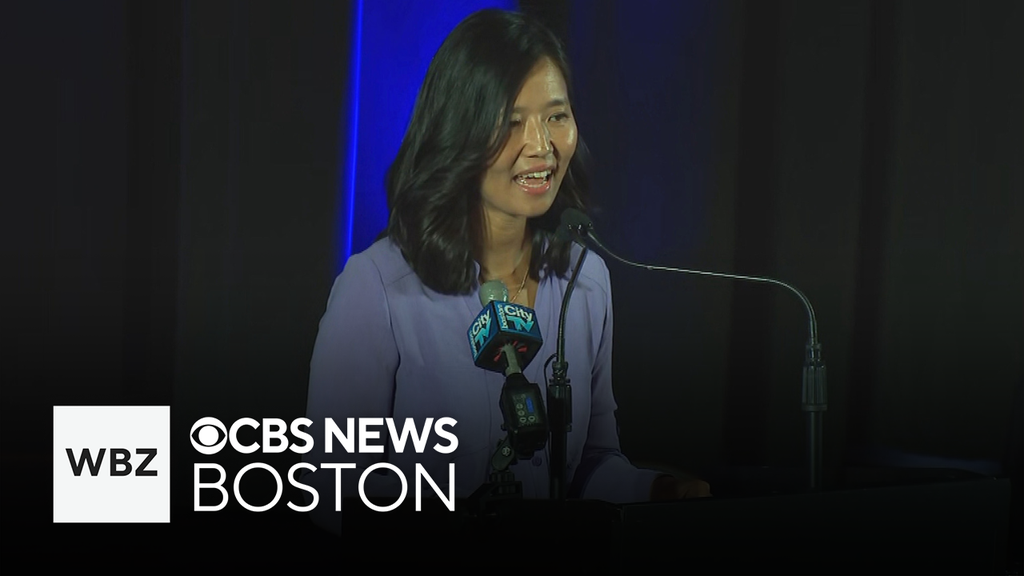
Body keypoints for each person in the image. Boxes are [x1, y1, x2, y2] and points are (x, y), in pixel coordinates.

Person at [303, 8, 709, 536]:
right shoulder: (375, 290)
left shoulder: (587, 282)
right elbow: (332, 499)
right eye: (512, 121)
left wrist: (653, 490)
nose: (541, 146)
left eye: (555, 116)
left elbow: (590, 465)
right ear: (458, 132)